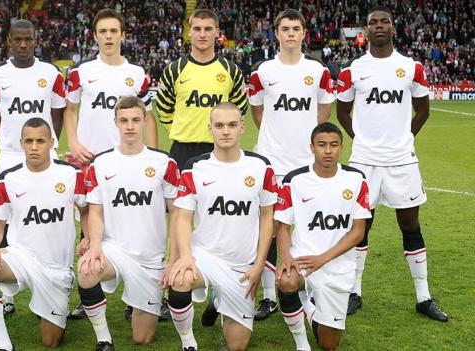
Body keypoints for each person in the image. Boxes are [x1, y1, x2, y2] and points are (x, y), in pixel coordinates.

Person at [336, 6, 447, 321]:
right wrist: (361, 140)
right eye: (373, 22)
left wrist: (405, 138)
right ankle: (354, 292)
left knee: (410, 226)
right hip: (365, 161)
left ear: (393, 29)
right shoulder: (353, 70)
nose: (379, 26)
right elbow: (342, 112)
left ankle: (423, 297)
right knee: (361, 226)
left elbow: (423, 109)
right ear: (366, 31)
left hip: (401, 160)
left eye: (384, 21)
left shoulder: (411, 67)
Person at [65, 8, 159, 320]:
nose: (108, 37)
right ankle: (88, 293)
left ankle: (137, 296)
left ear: (122, 35)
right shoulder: (81, 72)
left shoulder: (136, 73)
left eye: (113, 31)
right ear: (95, 36)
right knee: (88, 225)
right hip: (91, 160)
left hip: (130, 159)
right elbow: (69, 110)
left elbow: (148, 115)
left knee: (133, 220)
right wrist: (75, 144)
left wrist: (155, 154)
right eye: (102, 32)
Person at [166, 102, 278, 351]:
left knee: (237, 345)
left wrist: (259, 265)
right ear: (210, 129)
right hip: (205, 256)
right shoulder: (195, 168)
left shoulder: (261, 167)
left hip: (242, 265)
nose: (225, 131)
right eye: (219, 125)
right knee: (180, 279)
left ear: (242, 128)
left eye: (231, 125)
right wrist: (184, 257)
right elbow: (182, 216)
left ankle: (217, 301)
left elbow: (267, 216)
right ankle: (188, 343)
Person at [248, 8, 335, 321]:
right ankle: (270, 295)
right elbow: (258, 113)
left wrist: (305, 138)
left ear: (303, 33)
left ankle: (308, 284)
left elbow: (323, 110)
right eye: (284, 29)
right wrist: (275, 137)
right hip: (271, 163)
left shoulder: (318, 70)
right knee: (269, 230)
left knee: (307, 224)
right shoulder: (262, 72)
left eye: (295, 29)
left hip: (304, 163)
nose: (290, 34)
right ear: (276, 34)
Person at [0, 118, 87, 351]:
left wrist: (88, 238)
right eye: (29, 141)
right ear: (21, 143)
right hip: (20, 256)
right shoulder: (8, 178)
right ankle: (3, 345)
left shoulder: (70, 174)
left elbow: (88, 211)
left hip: (55, 268)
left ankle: (55, 305)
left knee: (51, 342)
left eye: (40, 141)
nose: (34, 146)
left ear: (51, 142)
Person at [76, 96, 179, 350]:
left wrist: (173, 259)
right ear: (116, 123)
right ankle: (103, 338)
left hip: (151, 260)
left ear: (145, 121)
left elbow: (177, 214)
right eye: (124, 121)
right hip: (114, 251)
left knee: (142, 338)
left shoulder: (164, 163)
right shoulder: (101, 164)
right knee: (87, 270)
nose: (130, 126)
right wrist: (95, 245)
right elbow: (96, 212)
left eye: (135, 120)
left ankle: (139, 303)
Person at [0, 19, 67, 315]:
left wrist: (49, 143)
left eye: (27, 39)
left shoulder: (50, 74)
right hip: (9, 155)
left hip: (46, 153)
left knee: (50, 216)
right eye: (16, 40)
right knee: (4, 220)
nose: (22, 44)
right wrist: (11, 144)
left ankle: (57, 279)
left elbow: (57, 113)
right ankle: (7, 295)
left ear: (35, 40)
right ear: (8, 41)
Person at [275, 122, 370, 351]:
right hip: (303, 259)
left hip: (337, 264)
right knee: (287, 281)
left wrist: (323, 258)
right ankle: (301, 344)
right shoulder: (294, 180)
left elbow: (358, 231)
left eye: (333, 145)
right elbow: (283, 226)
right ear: (312, 147)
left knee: (329, 345)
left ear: (342, 147)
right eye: (322, 145)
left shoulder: (357, 179)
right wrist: (286, 256)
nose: (328, 151)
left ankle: (307, 304)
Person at [155, 9, 248, 171]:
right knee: (180, 197)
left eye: (208, 29)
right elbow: (163, 109)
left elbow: (239, 110)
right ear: (189, 31)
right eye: (197, 29)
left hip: (220, 149)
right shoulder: (174, 70)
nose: (202, 34)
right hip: (183, 150)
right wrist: (184, 132)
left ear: (217, 32)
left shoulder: (231, 70)